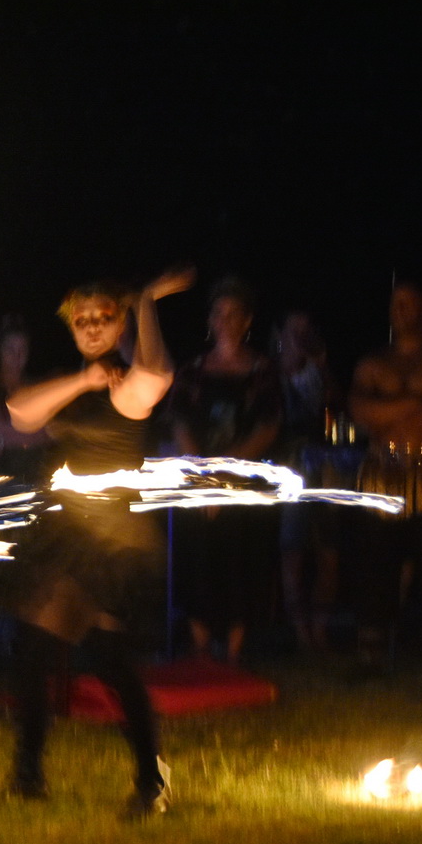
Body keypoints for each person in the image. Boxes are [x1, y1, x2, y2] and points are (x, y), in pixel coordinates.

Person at [4, 267, 193, 816]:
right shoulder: (81, 386)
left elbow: (156, 371)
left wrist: (148, 302)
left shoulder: (129, 390)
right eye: (81, 320)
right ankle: (27, 773)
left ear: (119, 323)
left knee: (110, 658)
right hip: (65, 536)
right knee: (34, 648)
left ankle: (151, 780)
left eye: (103, 318)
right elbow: (22, 412)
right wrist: (82, 380)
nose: (90, 327)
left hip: (113, 542)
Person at [347, 280, 422, 668]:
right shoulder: (372, 364)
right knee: (375, 565)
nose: (398, 311)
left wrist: (389, 409)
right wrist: (416, 401)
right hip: (380, 473)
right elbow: (361, 413)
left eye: (407, 304)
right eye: (394, 304)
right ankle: (371, 653)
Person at [169, 279, 282, 665]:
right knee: (197, 553)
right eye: (219, 312)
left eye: (234, 314)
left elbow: (267, 426)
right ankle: (200, 647)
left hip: (244, 482)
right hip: (199, 480)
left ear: (247, 320)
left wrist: (227, 472)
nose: (225, 320)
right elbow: (180, 422)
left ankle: (234, 650)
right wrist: (205, 474)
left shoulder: (263, 370)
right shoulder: (193, 370)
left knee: (241, 556)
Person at [271, 310, 348, 650]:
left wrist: (319, 363)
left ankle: (320, 628)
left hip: (322, 465)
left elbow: (336, 404)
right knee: (293, 552)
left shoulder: (318, 369)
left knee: (329, 551)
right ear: (281, 334)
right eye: (294, 330)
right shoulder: (269, 373)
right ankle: (301, 631)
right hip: (287, 468)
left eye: (307, 330)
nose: (301, 337)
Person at [0, 315, 49, 480]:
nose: (17, 355)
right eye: (10, 349)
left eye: (22, 349)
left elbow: (51, 431)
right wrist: (33, 432)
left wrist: (1, 441)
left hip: (36, 474)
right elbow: (0, 428)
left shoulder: (37, 387)